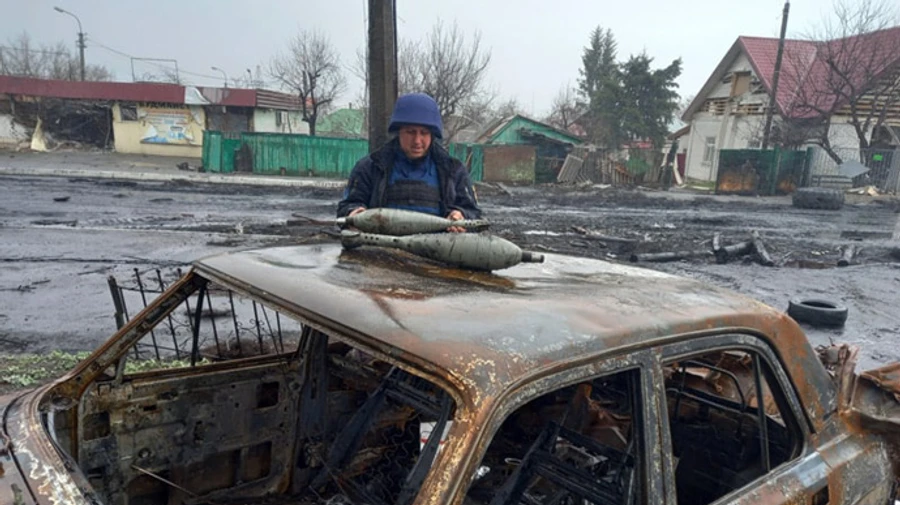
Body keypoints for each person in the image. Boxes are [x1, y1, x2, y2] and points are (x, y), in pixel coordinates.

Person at [337, 93, 482, 232]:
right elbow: (346, 208)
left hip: (436, 252)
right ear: (399, 131)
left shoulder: (453, 170)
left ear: (432, 135)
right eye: (411, 132)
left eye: (424, 133)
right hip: (380, 251)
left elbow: (474, 214)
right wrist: (354, 213)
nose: (417, 141)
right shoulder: (371, 167)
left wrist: (460, 216)